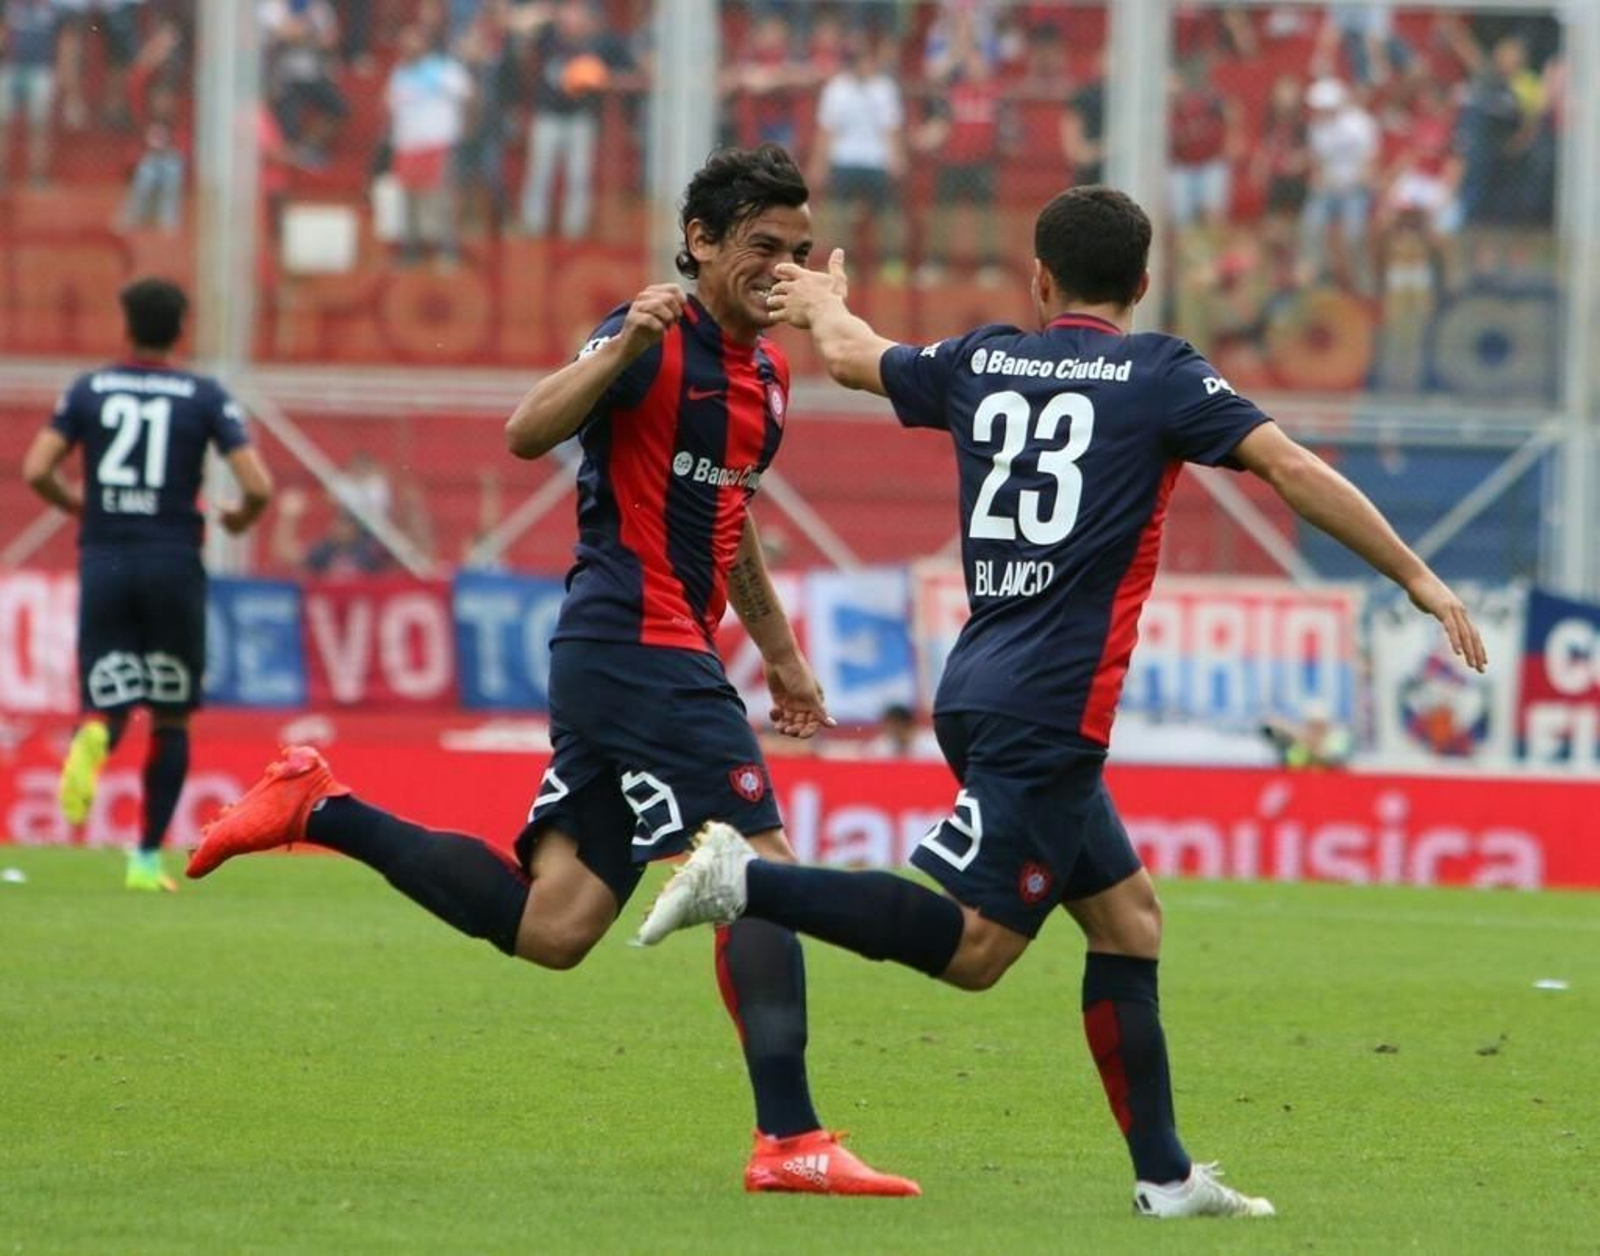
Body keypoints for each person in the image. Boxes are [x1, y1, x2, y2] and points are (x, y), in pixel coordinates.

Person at [638, 184, 1489, 1217]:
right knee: (977, 950)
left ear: (1039, 280)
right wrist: (1417, 577)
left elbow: (857, 356)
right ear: (1142, 282)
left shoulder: (983, 356)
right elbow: (1290, 466)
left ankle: (1166, 1174)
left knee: (1127, 917)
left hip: (982, 681)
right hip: (1048, 703)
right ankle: (747, 881)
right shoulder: (1163, 374)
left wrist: (818, 303)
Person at [185, 144, 918, 1198]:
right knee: (754, 864)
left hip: (644, 651)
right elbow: (527, 432)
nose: (782, 267)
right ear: (701, 242)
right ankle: (789, 1135)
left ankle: (318, 806)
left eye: (798, 250)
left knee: (556, 924)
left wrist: (783, 654)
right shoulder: (649, 337)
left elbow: (729, 515)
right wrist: (620, 345)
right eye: (761, 246)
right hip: (634, 644)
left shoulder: (770, 372)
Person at [19, 278, 274, 890]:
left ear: (125, 325)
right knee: (170, 716)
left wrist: (83, 507)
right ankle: (145, 858)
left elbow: (35, 470)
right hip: (173, 561)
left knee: (107, 694)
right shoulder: (202, 394)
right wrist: (237, 517)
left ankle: (93, 735)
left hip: (105, 557)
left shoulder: (89, 389)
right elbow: (257, 486)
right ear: (180, 327)